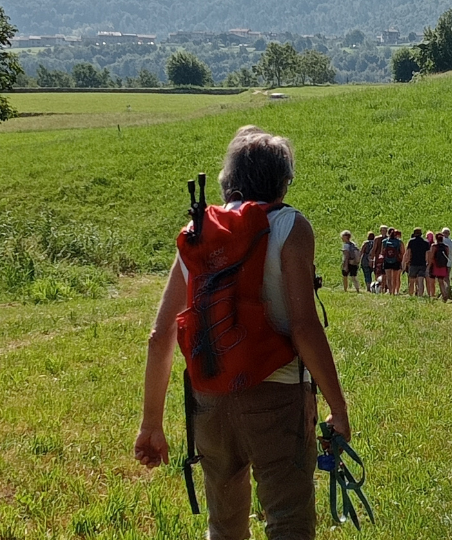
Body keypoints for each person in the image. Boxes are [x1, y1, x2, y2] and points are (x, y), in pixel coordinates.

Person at [135, 130, 350, 540]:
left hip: (209, 401)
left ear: (227, 180)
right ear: (283, 180)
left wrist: (151, 424)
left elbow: (160, 336)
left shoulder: (199, 232)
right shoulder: (290, 226)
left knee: (224, 524)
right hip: (278, 395)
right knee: (287, 519)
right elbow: (305, 326)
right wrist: (337, 408)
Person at [405, 227, 430, 297]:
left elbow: (409, 253)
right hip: (422, 264)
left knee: (411, 281)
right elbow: (427, 254)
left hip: (413, 263)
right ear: (421, 234)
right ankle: (420, 295)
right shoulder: (426, 242)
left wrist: (407, 262)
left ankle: (410, 295)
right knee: (421, 281)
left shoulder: (411, 241)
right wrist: (427, 262)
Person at [429, 234, 452, 301]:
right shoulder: (446, 247)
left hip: (435, 266)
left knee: (432, 281)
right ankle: (444, 294)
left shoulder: (434, 246)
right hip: (443, 266)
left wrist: (430, 265)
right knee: (441, 281)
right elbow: (447, 256)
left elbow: (431, 257)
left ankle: (432, 295)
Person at [381, 228, 404, 295]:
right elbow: (403, 252)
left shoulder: (384, 241)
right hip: (396, 261)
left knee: (388, 278)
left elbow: (382, 252)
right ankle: (394, 291)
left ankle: (390, 291)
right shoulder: (399, 242)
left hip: (387, 260)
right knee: (395, 277)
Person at [370, 224, 389, 292]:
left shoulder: (388, 239)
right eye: (382, 230)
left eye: (385, 230)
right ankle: (377, 286)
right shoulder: (377, 239)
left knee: (385, 273)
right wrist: (372, 259)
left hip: (386, 259)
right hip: (378, 258)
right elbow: (374, 249)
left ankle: (385, 287)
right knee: (377, 272)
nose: (383, 231)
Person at [441, 228, 452, 299]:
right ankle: (447, 292)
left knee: (441, 278)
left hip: (441, 262)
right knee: (447, 278)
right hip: (449, 262)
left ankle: (443, 293)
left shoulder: (441, 241)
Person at [425, 231, 437, 298]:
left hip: (428, 264)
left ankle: (429, 293)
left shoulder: (426, 245)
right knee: (433, 281)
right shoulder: (435, 245)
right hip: (435, 265)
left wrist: (428, 265)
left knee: (427, 280)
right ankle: (433, 294)